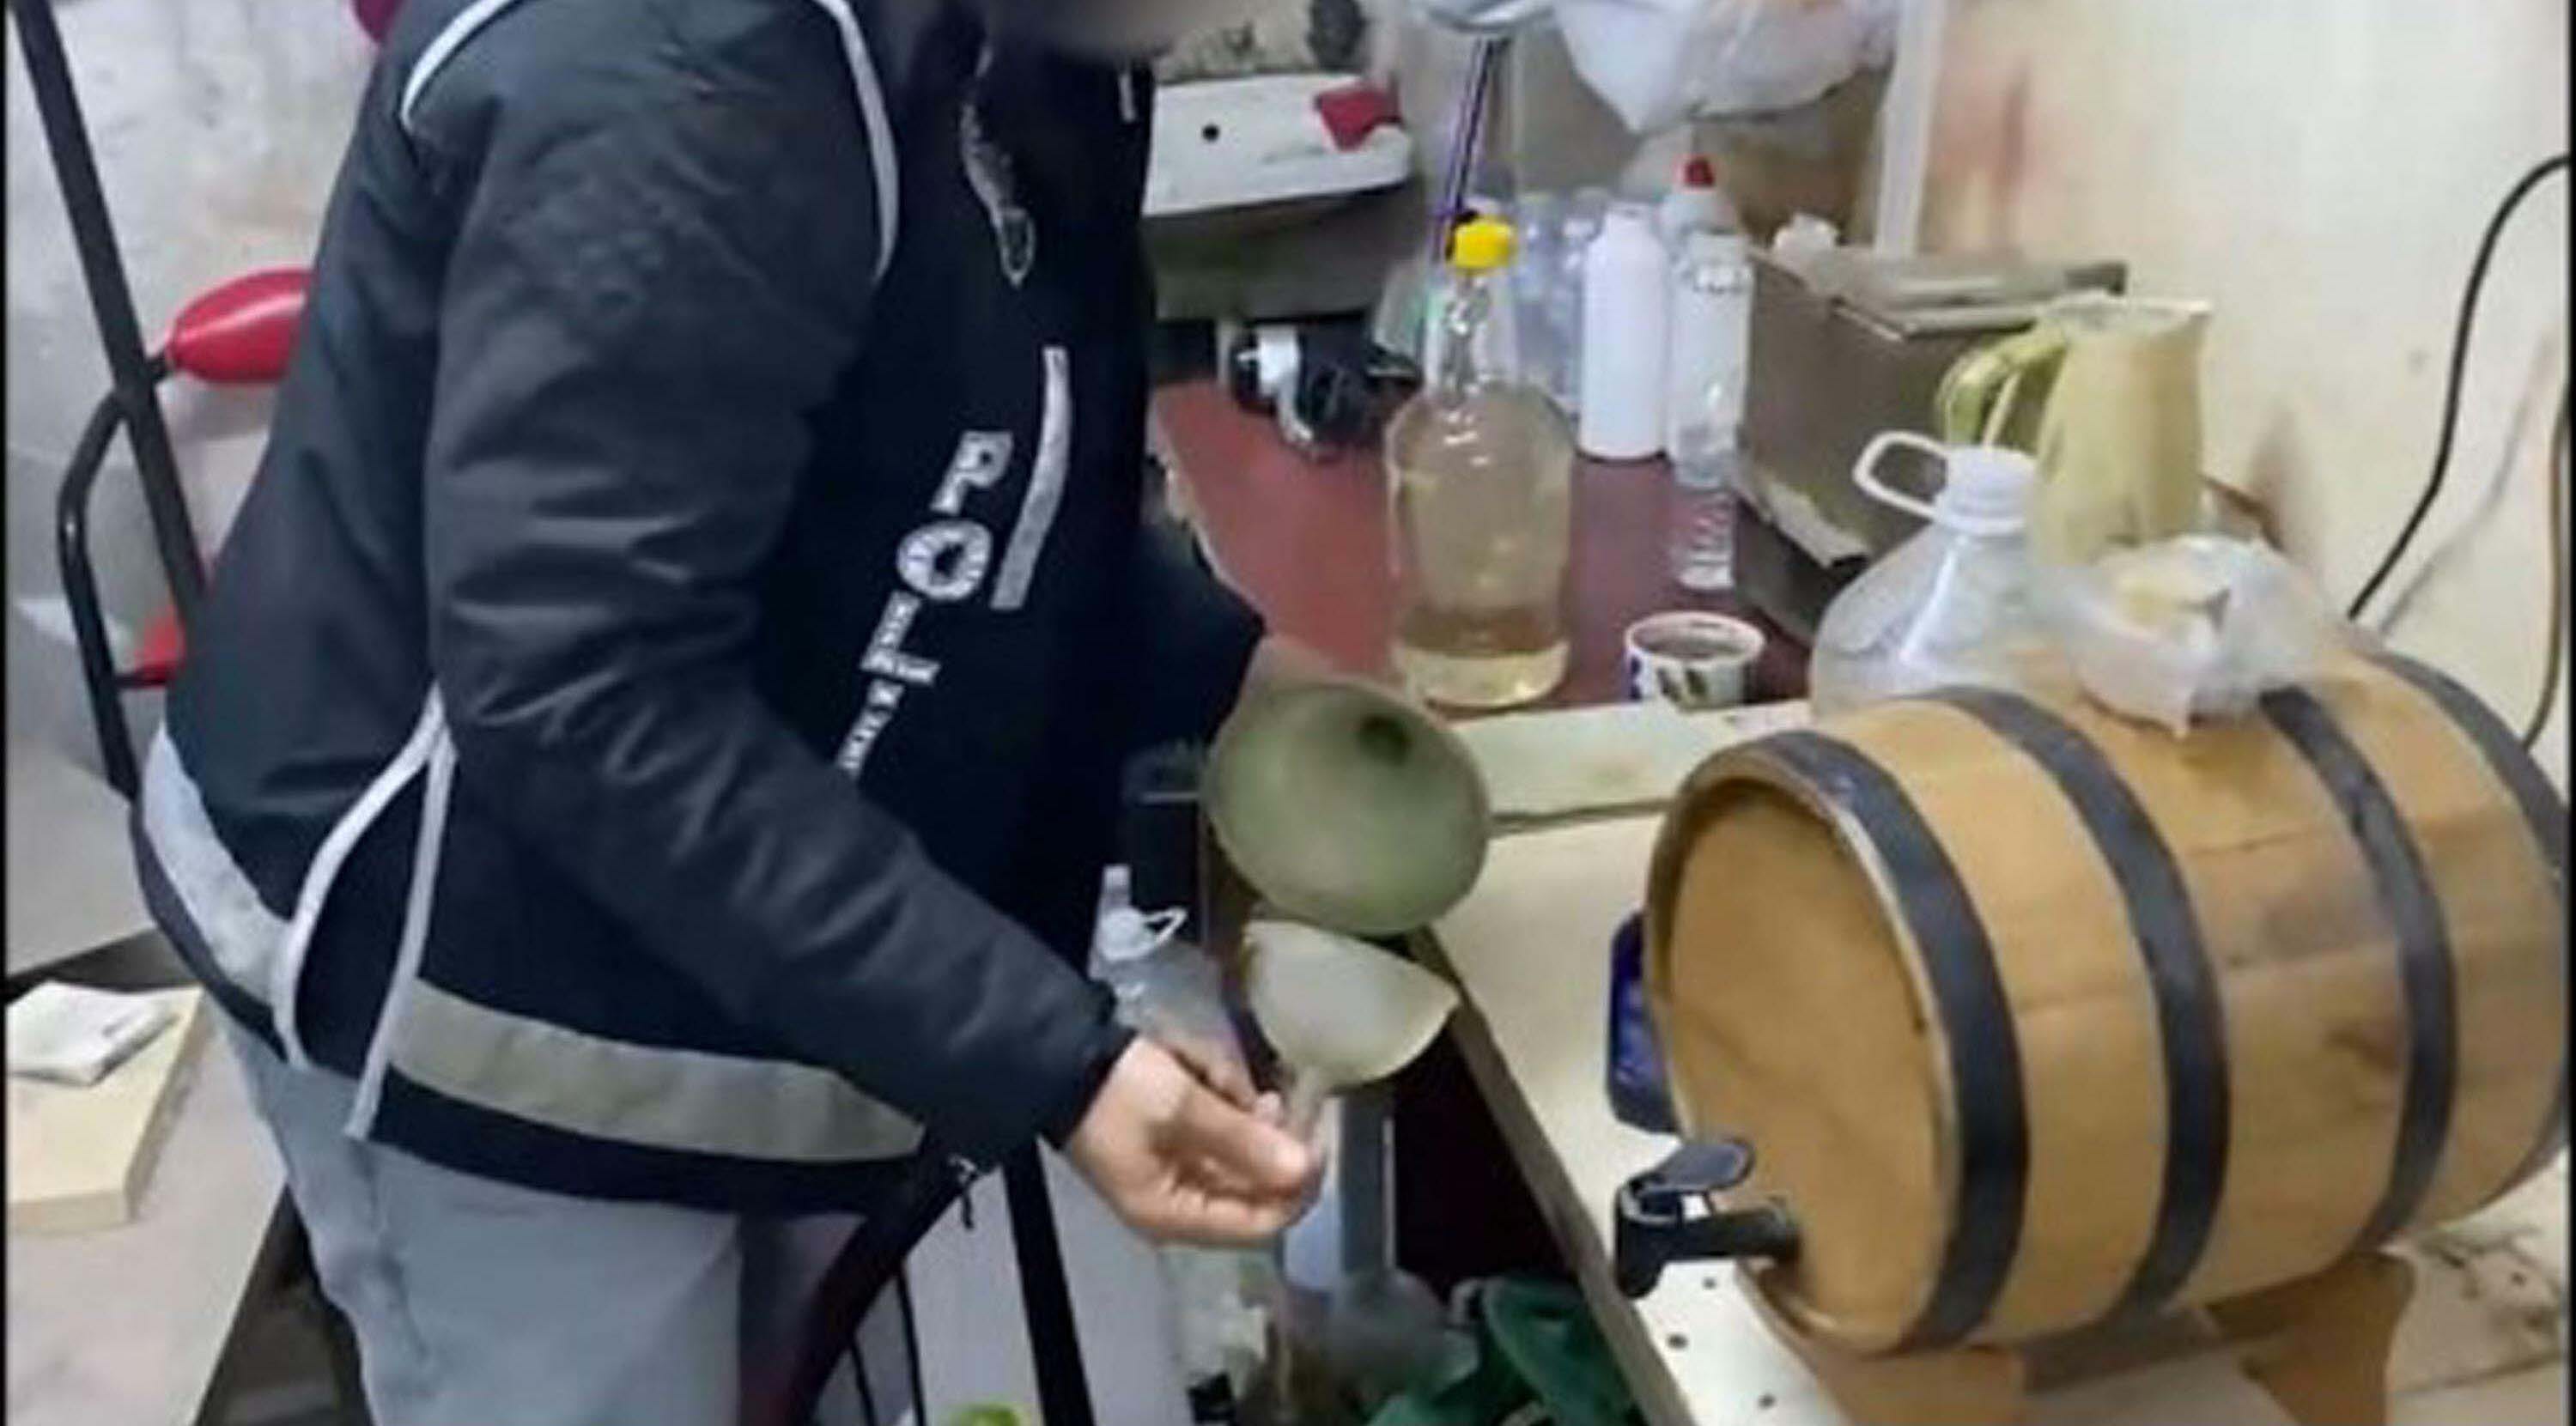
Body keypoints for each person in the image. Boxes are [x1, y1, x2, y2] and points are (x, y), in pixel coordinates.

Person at [129, 0, 1326, 1419]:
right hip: (482, 971)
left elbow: (964, 445)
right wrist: (1044, 1056)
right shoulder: (679, 74)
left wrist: (1229, 674)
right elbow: (580, 688)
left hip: (728, 883)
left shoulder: (1034, 38)